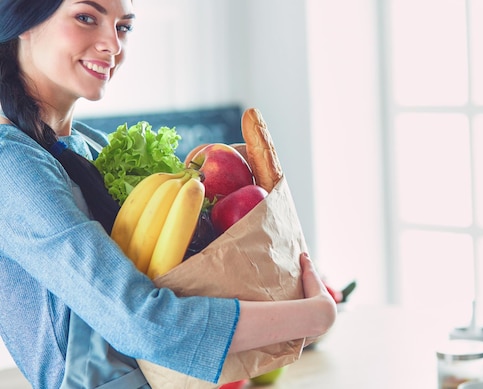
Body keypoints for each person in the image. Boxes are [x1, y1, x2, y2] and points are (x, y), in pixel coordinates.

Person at [0, 0, 337, 388]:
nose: (113, 44)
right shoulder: (11, 163)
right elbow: (141, 322)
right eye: (86, 18)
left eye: (123, 27)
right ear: (23, 21)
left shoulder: (91, 147)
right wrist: (313, 317)